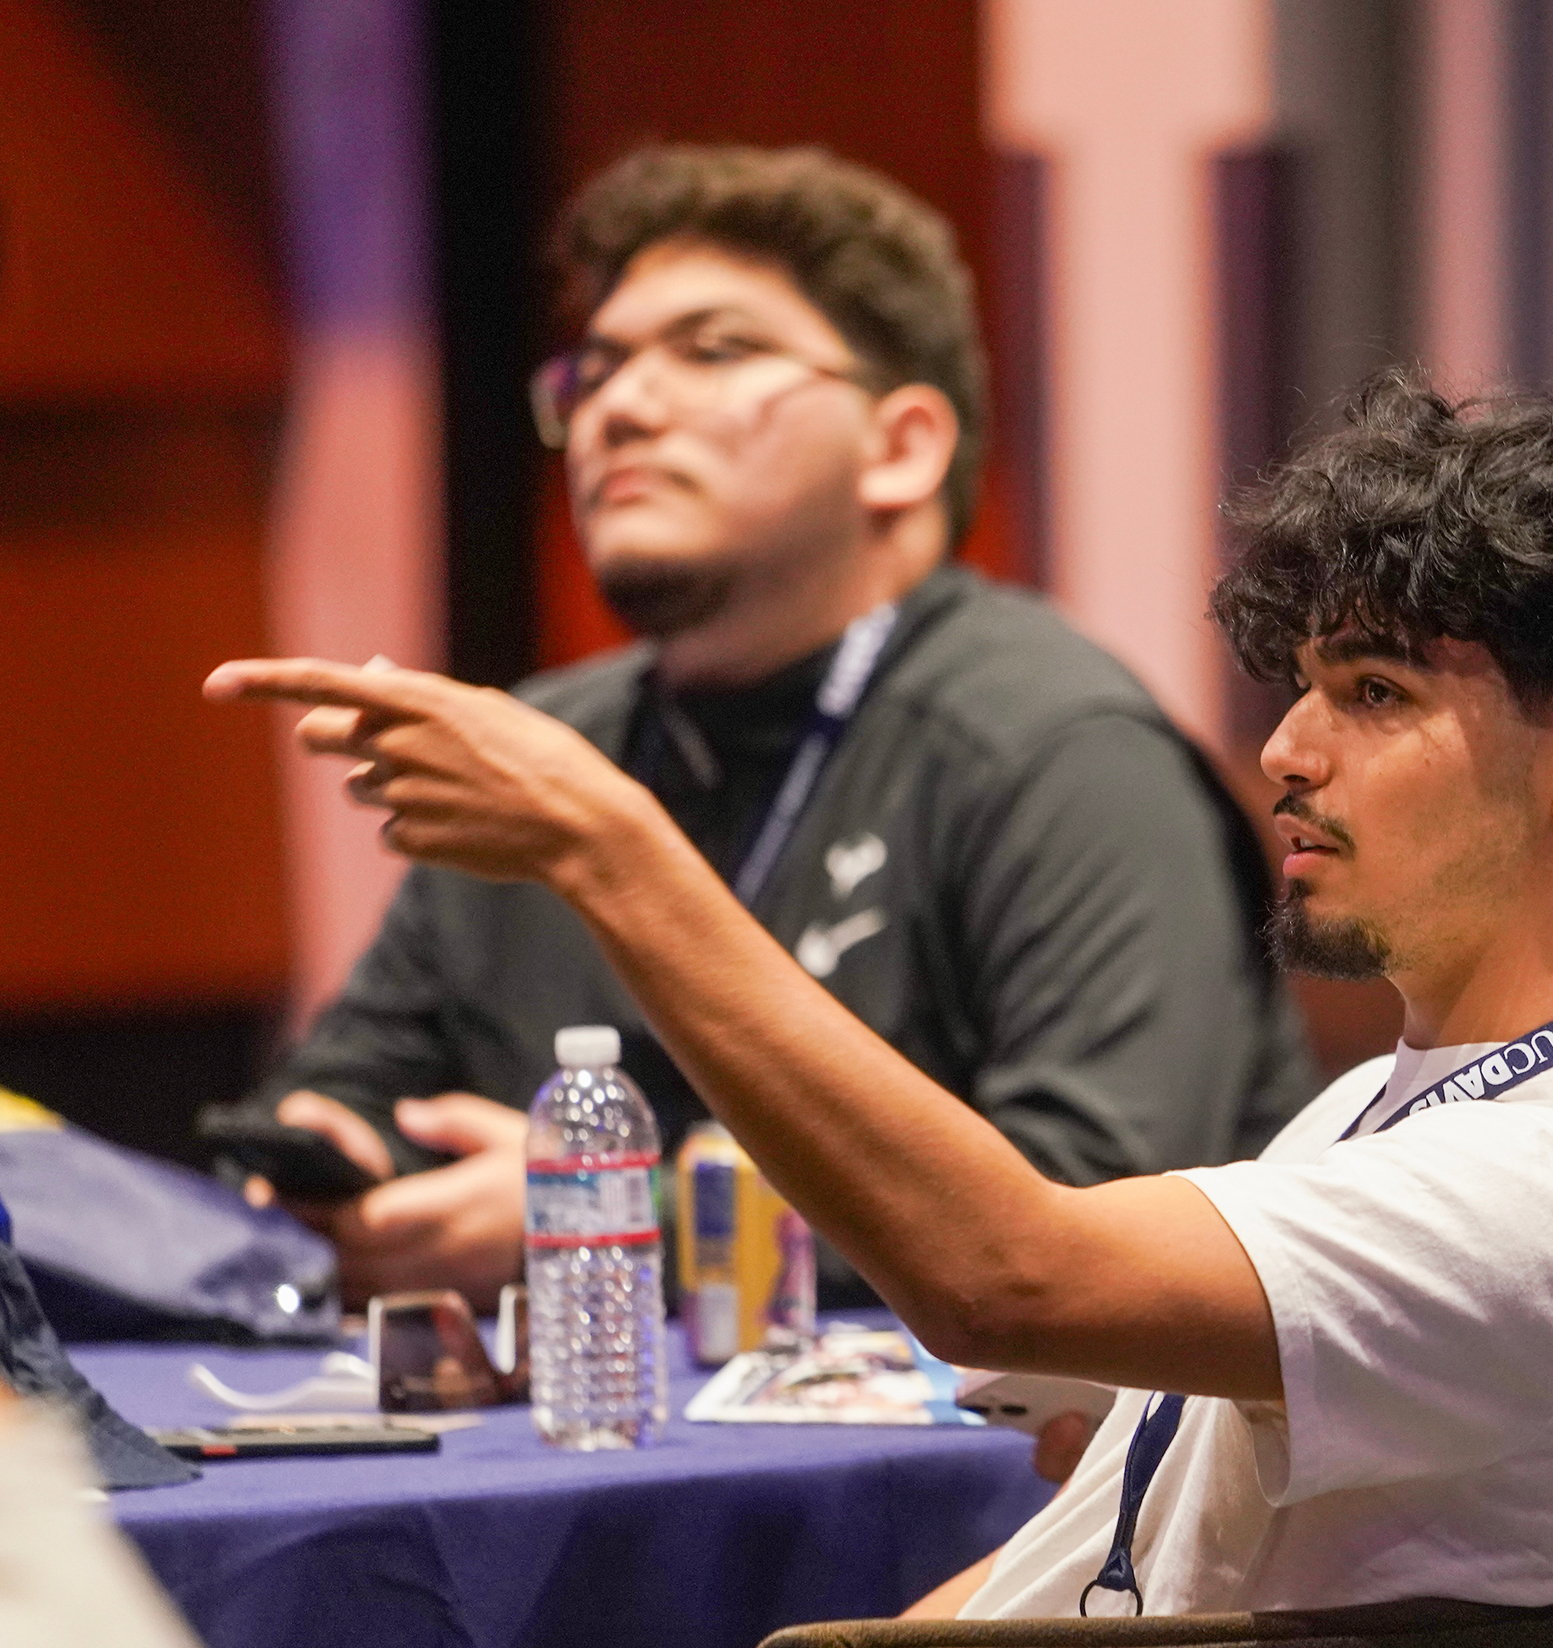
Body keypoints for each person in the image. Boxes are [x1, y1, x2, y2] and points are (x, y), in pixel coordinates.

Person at [205, 370, 1553, 1618]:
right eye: (1299, 687)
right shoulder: (1402, 1106)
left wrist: (612, 849)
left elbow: (1002, 1269)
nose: (1285, 750)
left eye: (1372, 693)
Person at [233, 144, 1314, 1310]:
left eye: (713, 352)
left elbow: (1092, 1209)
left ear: (900, 448)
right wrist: (338, 1167)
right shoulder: (545, 748)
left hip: (988, 1475)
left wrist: (609, 1216)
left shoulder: (1056, 749)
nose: (621, 408)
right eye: (593, 372)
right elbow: (360, 1083)